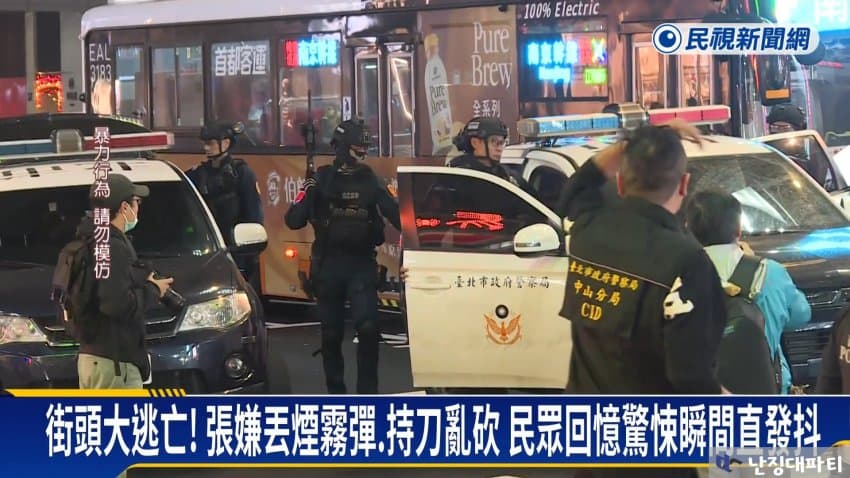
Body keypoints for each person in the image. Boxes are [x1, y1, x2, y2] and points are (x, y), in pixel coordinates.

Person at [556, 121, 729, 478]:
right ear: (684, 185)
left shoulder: (588, 229)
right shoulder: (687, 262)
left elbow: (577, 187)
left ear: (621, 182)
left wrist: (640, 139)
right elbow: (690, 377)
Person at [284, 119, 401, 394]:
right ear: (342, 147)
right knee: (331, 334)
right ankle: (336, 395)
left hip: (361, 265)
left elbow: (398, 216)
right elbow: (293, 220)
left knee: (369, 328)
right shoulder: (321, 178)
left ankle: (368, 397)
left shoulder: (371, 179)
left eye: (365, 147)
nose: (363, 152)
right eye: (358, 147)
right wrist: (309, 189)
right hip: (329, 266)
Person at [684, 190, 811, 394]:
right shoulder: (769, 272)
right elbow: (801, 315)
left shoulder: (678, 275)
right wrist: (750, 262)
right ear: (739, 229)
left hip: (702, 393)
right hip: (767, 391)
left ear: (688, 229)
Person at [78, 174, 173, 389]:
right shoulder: (111, 246)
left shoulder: (91, 239)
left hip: (94, 358)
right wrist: (153, 289)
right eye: (136, 202)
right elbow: (116, 304)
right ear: (124, 207)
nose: (138, 208)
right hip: (115, 364)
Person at [186, 121, 264, 291]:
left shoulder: (242, 174)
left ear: (226, 143)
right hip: (207, 252)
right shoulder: (198, 174)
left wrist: (249, 252)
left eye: (211, 143)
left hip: (236, 254)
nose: (206, 148)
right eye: (205, 143)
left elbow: (254, 216)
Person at [449, 116, 534, 193]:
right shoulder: (458, 175)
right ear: (475, 143)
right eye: (494, 142)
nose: (499, 148)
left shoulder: (507, 175)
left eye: (502, 143)